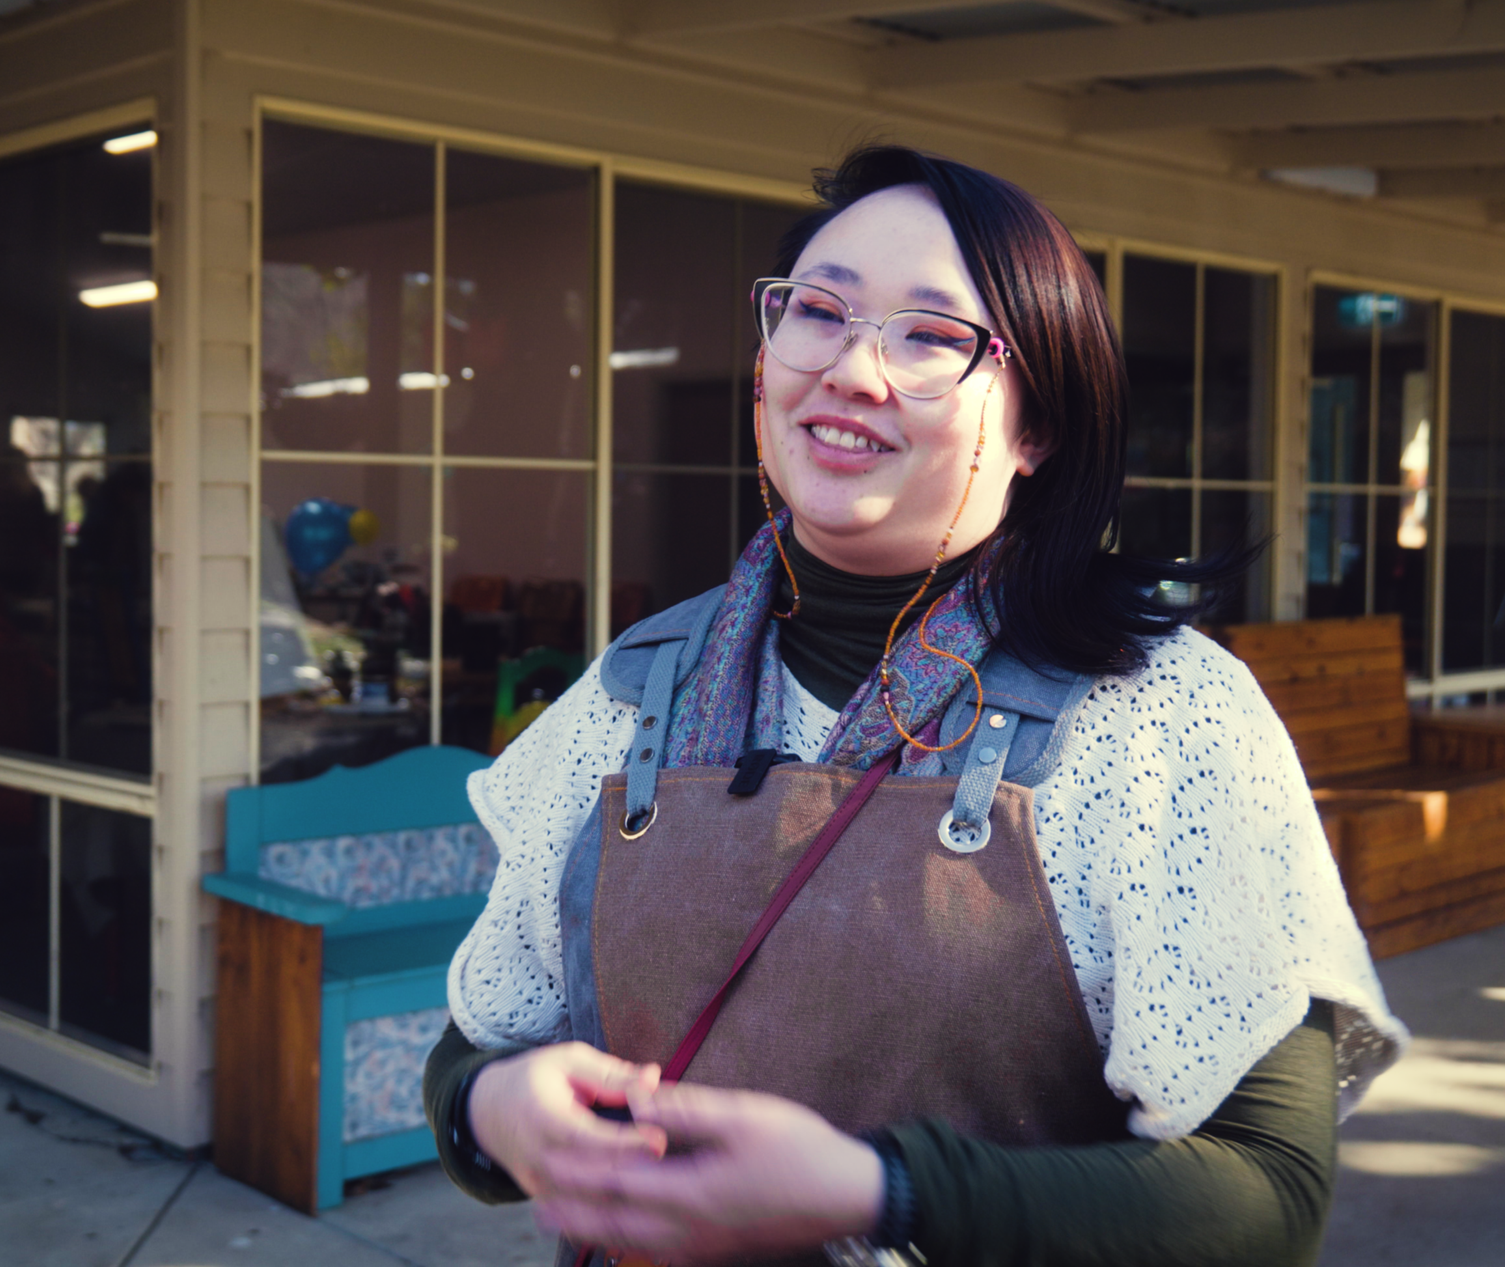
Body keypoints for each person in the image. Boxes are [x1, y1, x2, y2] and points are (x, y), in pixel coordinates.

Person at [422, 146, 1406, 1267]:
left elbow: (1266, 1190)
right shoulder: (627, 692)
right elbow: (474, 1050)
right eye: (818, 310)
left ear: (1039, 426)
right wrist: (494, 1112)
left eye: (931, 335)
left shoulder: (1162, 717)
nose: (851, 367)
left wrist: (876, 1190)